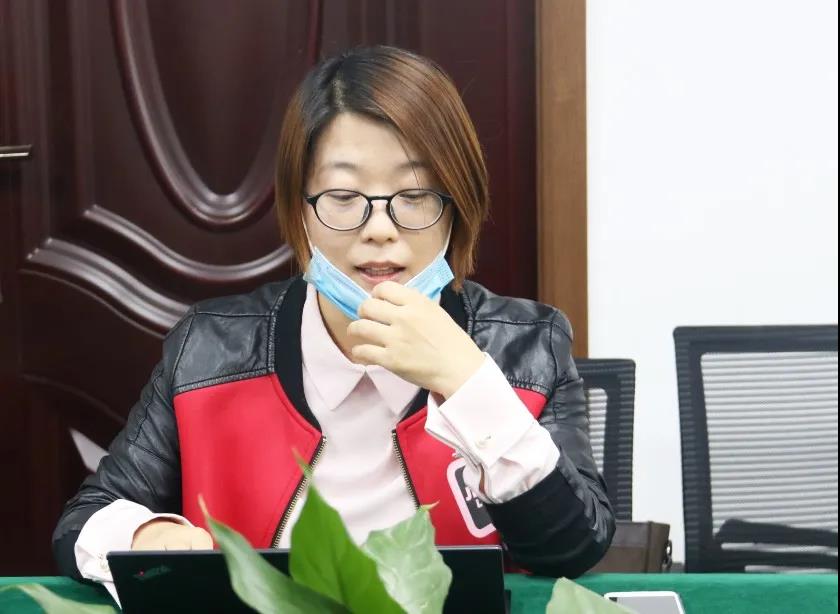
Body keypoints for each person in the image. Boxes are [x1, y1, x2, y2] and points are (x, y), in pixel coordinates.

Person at [53, 46, 614, 598]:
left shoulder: (529, 345)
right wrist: (146, 535)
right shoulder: (207, 347)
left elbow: (573, 547)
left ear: (457, 206)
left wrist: (470, 383)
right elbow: (86, 520)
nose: (379, 229)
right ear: (300, 209)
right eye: (344, 195)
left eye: (415, 194)